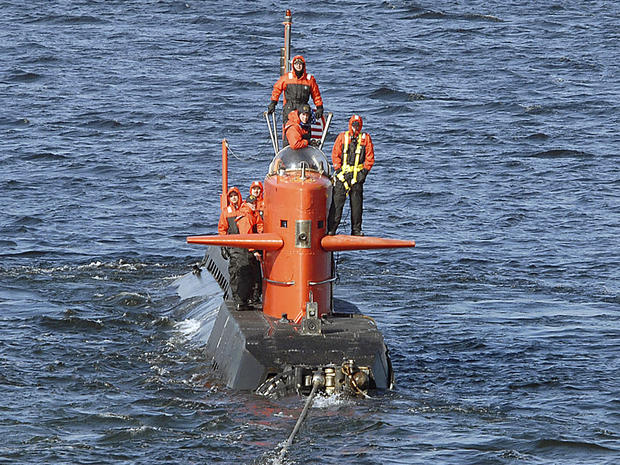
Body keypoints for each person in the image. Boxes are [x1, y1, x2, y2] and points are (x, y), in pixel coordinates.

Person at [327, 115, 375, 236]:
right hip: (342, 177)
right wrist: (338, 171)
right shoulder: (342, 137)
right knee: (337, 205)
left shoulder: (366, 139)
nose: (355, 128)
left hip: (357, 178)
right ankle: (331, 229)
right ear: (350, 125)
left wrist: (363, 173)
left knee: (357, 206)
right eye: (353, 125)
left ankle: (356, 230)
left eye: (357, 126)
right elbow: (335, 154)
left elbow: (370, 158)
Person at [267, 55, 324, 125]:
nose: (298, 66)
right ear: (293, 65)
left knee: (304, 132)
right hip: (289, 107)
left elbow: (316, 95)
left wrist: (319, 107)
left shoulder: (309, 79)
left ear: (303, 65)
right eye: (296, 64)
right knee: (290, 130)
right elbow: (277, 89)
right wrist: (273, 103)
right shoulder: (286, 78)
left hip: (303, 108)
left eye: (300, 64)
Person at [229, 195, 263, 308]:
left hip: (246, 250)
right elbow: (246, 237)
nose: (254, 205)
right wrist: (254, 251)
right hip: (244, 251)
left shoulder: (251, 214)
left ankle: (248, 300)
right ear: (247, 203)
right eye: (251, 203)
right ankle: (241, 302)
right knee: (245, 276)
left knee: (250, 275)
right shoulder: (246, 217)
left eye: (255, 203)